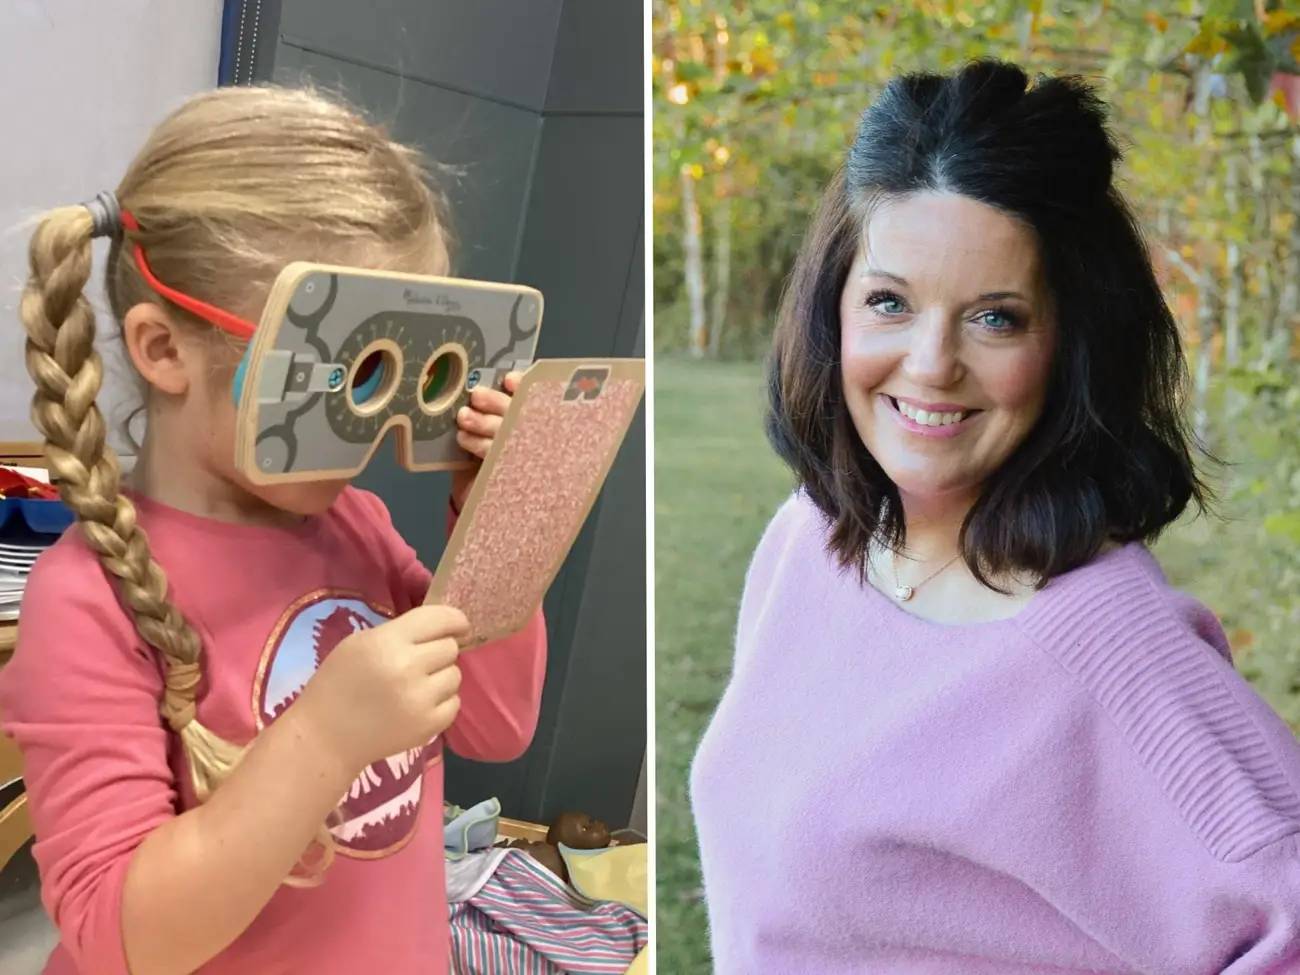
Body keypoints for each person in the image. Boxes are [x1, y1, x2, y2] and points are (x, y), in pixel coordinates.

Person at [691, 59, 1300, 973]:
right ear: (835, 311)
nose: (932, 363)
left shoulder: (1114, 648)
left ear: (1071, 343)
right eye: (891, 302)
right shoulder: (807, 541)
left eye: (996, 319)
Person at [0, 84, 547, 975]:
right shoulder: (86, 600)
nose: (377, 423)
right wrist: (326, 737)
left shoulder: (356, 524)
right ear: (164, 349)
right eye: (352, 372)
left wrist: (498, 518)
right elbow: (121, 938)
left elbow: (493, 722)